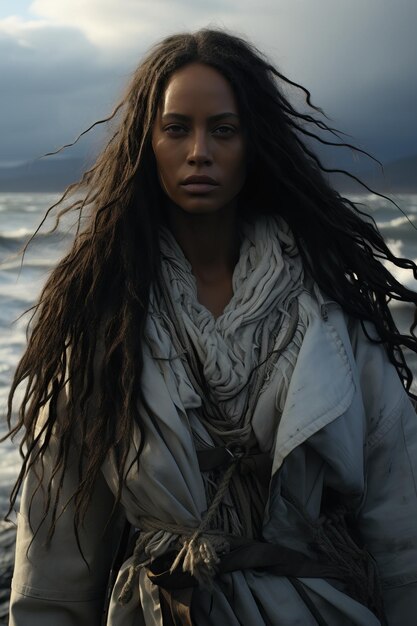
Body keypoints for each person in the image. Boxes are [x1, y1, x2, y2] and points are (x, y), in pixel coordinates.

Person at [5, 28, 417, 626]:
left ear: (253, 143)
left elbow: (398, 510)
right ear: (148, 144)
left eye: (223, 129)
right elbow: (56, 555)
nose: (199, 150)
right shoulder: (106, 323)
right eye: (177, 129)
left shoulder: (326, 309)